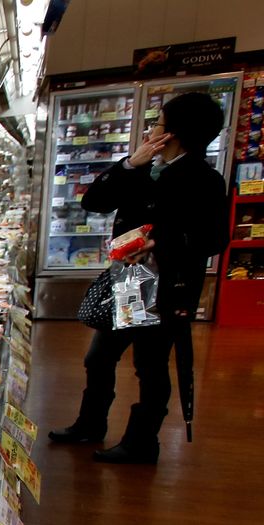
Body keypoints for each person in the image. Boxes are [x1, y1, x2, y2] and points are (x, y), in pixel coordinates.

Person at [48, 92, 229, 464]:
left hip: (165, 287)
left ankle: (143, 441)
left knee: (150, 366)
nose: (151, 130)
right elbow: (93, 202)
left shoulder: (204, 179)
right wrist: (130, 164)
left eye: (158, 124)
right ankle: (90, 424)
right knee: (99, 357)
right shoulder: (146, 167)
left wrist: (158, 243)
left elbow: (213, 239)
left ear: (174, 133)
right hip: (132, 280)